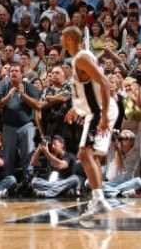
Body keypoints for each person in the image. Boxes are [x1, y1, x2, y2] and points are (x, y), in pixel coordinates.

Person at [61, 26, 118, 220]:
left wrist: (103, 115)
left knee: (84, 153)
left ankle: (99, 199)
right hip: (94, 111)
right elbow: (87, 89)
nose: (60, 39)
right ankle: (98, 198)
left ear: (69, 39)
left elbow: (104, 82)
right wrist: (76, 108)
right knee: (91, 156)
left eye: (62, 37)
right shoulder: (79, 58)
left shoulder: (81, 58)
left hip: (99, 111)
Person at [102, 129, 141, 198]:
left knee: (139, 182)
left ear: (131, 142)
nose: (121, 141)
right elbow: (100, 143)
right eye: (121, 138)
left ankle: (111, 192)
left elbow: (120, 166)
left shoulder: (135, 153)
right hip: (110, 183)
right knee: (88, 182)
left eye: (125, 138)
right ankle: (120, 193)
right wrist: (110, 134)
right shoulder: (111, 145)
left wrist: (116, 148)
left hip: (126, 184)